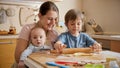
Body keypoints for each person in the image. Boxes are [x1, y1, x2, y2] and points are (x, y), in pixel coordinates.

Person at [14, 1, 59, 67]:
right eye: (50, 19)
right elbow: (18, 57)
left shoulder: (54, 34)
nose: (53, 23)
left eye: (55, 19)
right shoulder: (27, 29)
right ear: (40, 16)